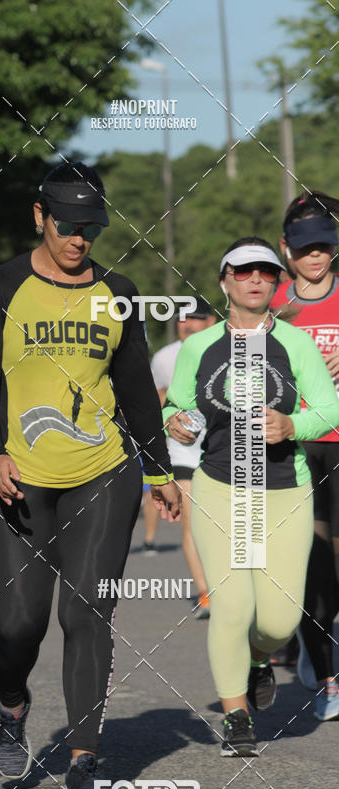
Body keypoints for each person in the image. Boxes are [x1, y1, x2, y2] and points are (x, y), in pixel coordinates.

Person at [0, 161, 181, 789]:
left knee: (87, 608)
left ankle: (84, 752)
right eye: (68, 225)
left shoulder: (119, 292)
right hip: (17, 476)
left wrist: (159, 468)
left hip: (102, 471)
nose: (80, 238)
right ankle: (12, 704)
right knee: (16, 621)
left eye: (92, 227)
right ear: (40, 216)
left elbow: (135, 387)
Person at [164, 237, 339, 757]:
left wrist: (292, 425)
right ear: (225, 282)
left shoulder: (295, 343)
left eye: (265, 271)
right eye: (243, 272)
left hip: (285, 489)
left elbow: (329, 408)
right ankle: (236, 716)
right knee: (233, 606)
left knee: (279, 620)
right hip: (220, 488)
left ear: (275, 282)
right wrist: (173, 421)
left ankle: (260, 659)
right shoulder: (199, 346)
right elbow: (177, 404)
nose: (256, 280)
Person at [271, 192, 339, 718]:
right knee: (314, 564)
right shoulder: (271, 303)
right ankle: (325, 673)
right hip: (295, 445)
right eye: (304, 246)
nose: (315, 254)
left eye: (324, 244)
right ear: (285, 248)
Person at [150, 297, 217, 618]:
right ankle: (205, 593)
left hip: (222, 448)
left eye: (194, 318)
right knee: (192, 521)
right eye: (180, 319)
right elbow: (156, 397)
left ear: (211, 321)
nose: (186, 324)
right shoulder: (164, 357)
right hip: (182, 450)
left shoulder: (225, 347)